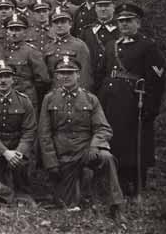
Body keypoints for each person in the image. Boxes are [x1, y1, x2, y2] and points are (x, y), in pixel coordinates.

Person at [38, 56, 125, 220]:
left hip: (85, 151)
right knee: (67, 204)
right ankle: (83, 189)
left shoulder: (91, 99)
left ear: (78, 74)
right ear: (56, 76)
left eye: (70, 72)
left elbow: (103, 128)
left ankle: (116, 205)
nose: (66, 76)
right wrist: (51, 162)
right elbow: (44, 134)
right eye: (62, 73)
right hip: (62, 156)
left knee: (106, 158)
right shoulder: (49, 99)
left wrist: (95, 146)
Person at [97, 3, 166, 198]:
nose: (124, 24)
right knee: (115, 142)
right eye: (121, 21)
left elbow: (156, 80)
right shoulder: (112, 45)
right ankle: (117, 183)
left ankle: (137, 186)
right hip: (111, 101)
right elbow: (102, 72)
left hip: (134, 102)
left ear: (138, 22)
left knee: (136, 144)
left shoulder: (148, 46)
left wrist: (151, 108)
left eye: (129, 21)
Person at [0, 61, 36, 195]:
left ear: (13, 79)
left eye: (7, 76)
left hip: (17, 145)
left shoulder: (24, 101)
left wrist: (19, 151)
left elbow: (29, 130)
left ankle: (23, 194)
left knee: (21, 166)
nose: (3, 80)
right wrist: (4, 152)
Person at [0, 14, 50, 110]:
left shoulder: (31, 51)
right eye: (11, 29)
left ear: (25, 32)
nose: (14, 33)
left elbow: (43, 79)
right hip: (5, 97)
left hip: (26, 97)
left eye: (18, 30)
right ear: (7, 31)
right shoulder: (1, 50)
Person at [44, 7, 92, 90]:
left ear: (70, 24)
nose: (59, 25)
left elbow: (85, 75)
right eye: (56, 22)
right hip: (55, 93)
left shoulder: (79, 46)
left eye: (63, 22)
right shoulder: (48, 47)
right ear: (51, 26)